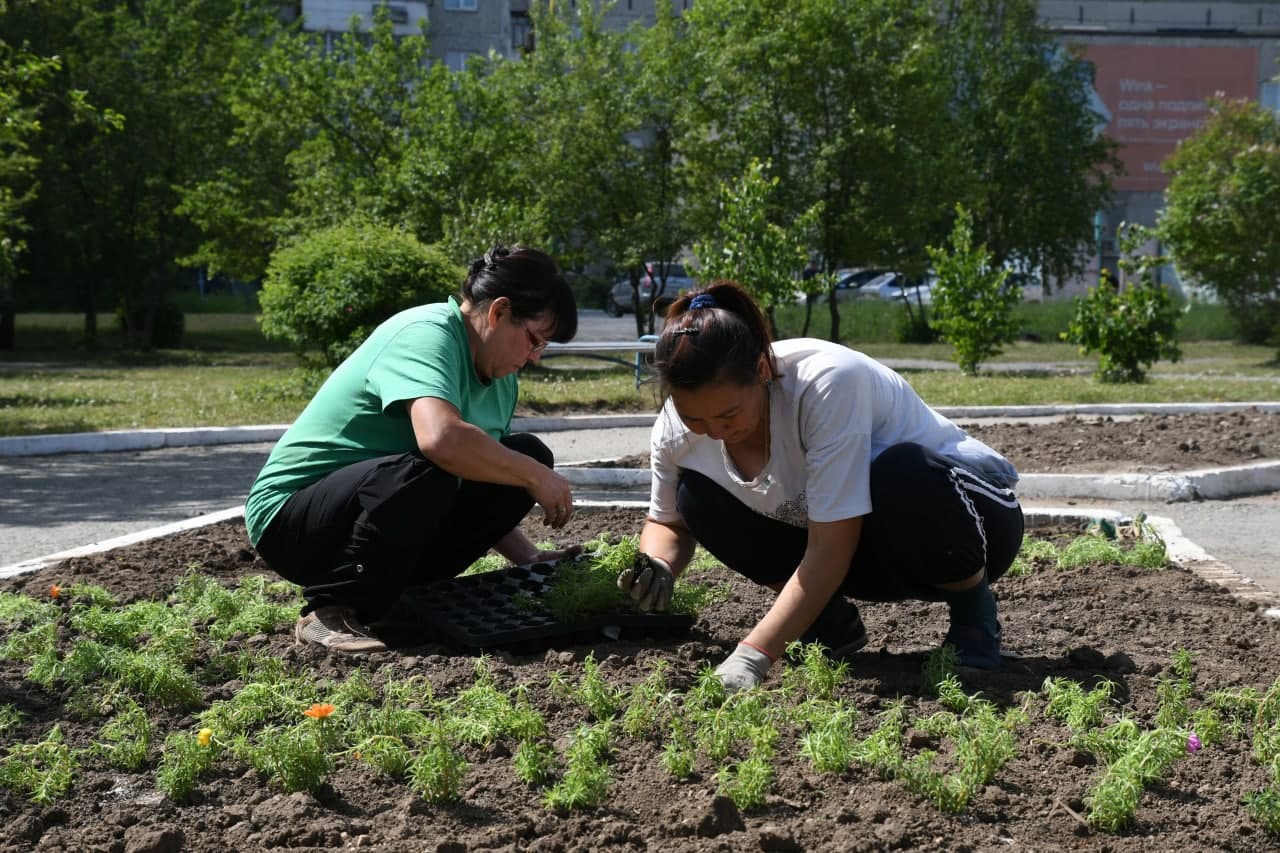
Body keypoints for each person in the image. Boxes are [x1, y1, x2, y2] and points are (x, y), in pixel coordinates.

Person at [616, 280, 1023, 691]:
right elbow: (668, 522)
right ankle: (827, 625)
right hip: (869, 554)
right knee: (697, 498)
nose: (716, 432)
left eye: (728, 414)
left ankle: (975, 617)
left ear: (761, 370)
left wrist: (753, 655)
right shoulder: (673, 429)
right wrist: (659, 565)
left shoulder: (826, 383)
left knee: (900, 472)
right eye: (696, 420)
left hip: (974, 525)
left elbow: (831, 546)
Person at [246, 246, 582, 654]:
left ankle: (392, 600)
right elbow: (440, 440)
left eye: (542, 347)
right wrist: (534, 476)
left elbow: (480, 473)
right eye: (533, 340)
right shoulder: (427, 334)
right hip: (292, 521)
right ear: (498, 312)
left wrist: (528, 556)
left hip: (372, 513)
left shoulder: (500, 378)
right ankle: (328, 610)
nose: (533, 358)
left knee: (525, 454)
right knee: (446, 469)